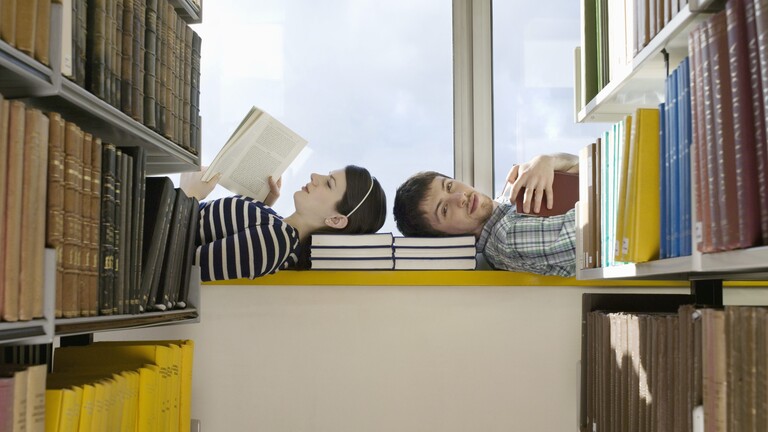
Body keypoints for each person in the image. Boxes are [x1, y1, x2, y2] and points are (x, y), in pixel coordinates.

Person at [181, 165, 387, 281]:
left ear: (335, 220)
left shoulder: (277, 242)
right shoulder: (276, 229)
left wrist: (189, 196)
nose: (315, 175)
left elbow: (182, 268)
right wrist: (263, 204)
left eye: (328, 183)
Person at [393, 153, 579, 277]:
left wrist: (547, 160)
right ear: (445, 238)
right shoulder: (507, 236)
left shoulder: (508, 193)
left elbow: (585, 165)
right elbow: (596, 232)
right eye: (445, 210)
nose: (460, 197)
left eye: (449, 186)